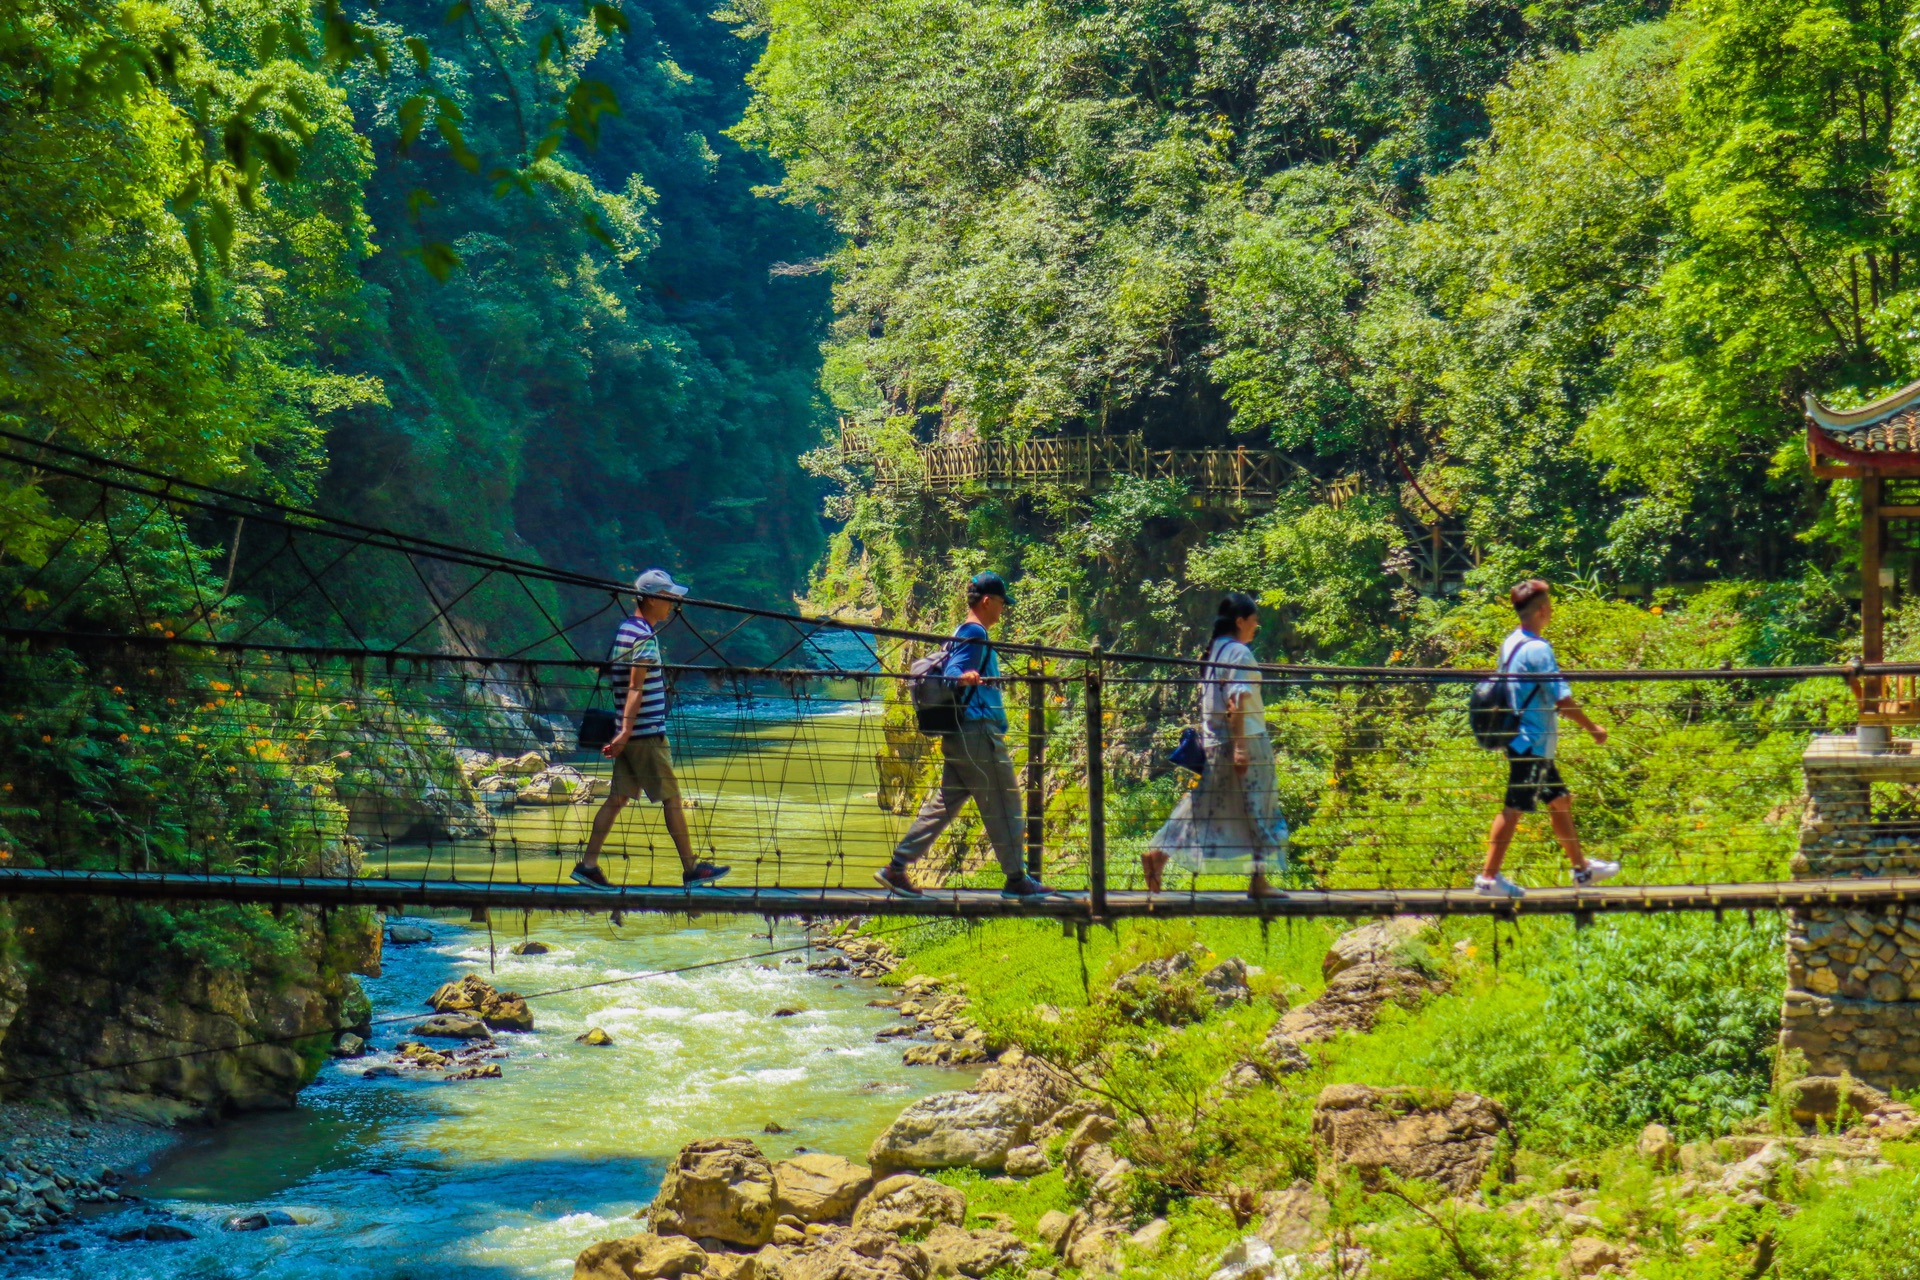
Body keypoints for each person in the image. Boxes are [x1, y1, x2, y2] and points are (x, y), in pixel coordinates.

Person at [875, 572, 1056, 899]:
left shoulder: (962, 632)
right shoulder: (974, 633)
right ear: (988, 601)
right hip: (976, 733)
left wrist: (962, 676)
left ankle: (896, 868)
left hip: (961, 735)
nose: (1003, 610)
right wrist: (964, 677)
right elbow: (953, 672)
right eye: (1002, 603)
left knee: (945, 804)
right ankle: (1017, 880)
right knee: (1005, 802)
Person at [571, 568, 729, 891]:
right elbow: (634, 687)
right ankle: (691, 868)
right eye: (669, 597)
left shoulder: (626, 630)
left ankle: (588, 865)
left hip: (633, 734)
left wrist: (623, 732)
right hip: (645, 735)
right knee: (672, 798)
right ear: (653, 598)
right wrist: (627, 731)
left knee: (617, 799)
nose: (673, 604)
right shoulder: (643, 636)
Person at [1475, 578, 1618, 898]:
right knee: (1513, 807)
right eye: (1549, 605)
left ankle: (1582, 870)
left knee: (1559, 800)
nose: (1551, 610)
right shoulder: (1539, 649)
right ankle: (1487, 878)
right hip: (1533, 742)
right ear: (1541, 611)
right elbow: (1561, 700)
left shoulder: (1511, 642)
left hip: (1519, 738)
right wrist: (1593, 728)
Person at [1142, 593, 1287, 898]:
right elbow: (1237, 700)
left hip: (1216, 742)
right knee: (1259, 807)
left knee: (1204, 806)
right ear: (1240, 621)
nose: (1256, 625)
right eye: (1254, 619)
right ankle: (1259, 882)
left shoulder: (1215, 651)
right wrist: (1241, 747)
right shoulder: (1238, 652)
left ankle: (1159, 855)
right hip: (1243, 740)